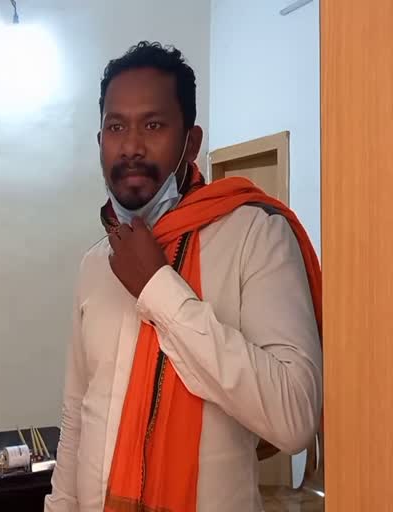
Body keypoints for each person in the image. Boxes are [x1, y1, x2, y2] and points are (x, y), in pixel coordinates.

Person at [45, 42, 322, 512]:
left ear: (191, 142)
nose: (131, 146)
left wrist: (158, 288)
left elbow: (294, 417)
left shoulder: (254, 235)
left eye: (153, 125)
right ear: (100, 141)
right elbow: (77, 415)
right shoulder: (97, 262)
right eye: (116, 127)